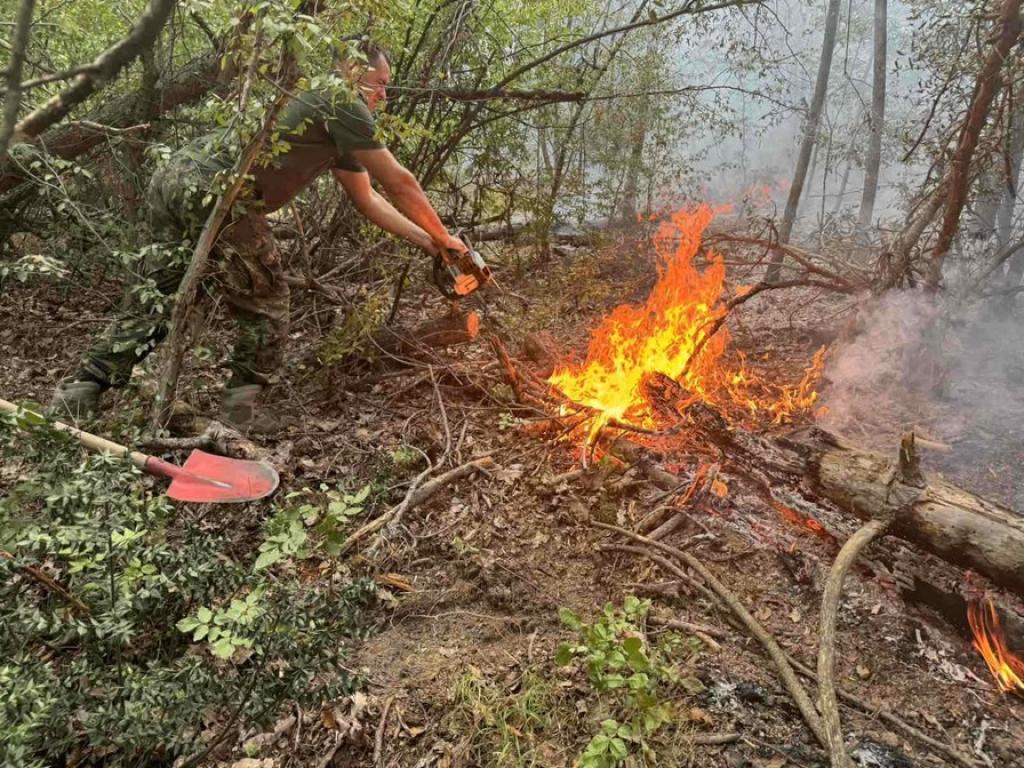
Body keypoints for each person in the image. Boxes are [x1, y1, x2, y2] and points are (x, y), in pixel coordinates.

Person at [50, 39, 468, 429]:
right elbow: (401, 184)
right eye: (379, 84)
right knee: (266, 297)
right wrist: (446, 234)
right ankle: (240, 412)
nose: (383, 96)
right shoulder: (342, 100)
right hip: (219, 190)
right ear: (352, 70)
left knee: (161, 293)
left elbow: (369, 200)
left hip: (177, 176)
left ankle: (81, 390)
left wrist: (433, 244)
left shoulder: (324, 106)